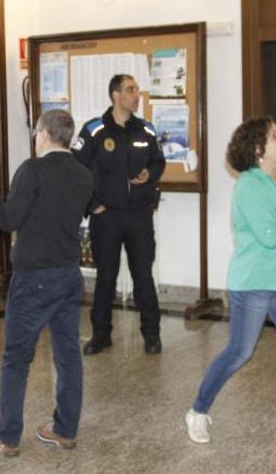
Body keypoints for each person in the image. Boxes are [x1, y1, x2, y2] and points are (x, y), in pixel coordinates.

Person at [184, 117, 276, 444]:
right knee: (240, 351)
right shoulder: (249, 186)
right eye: (275, 136)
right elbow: (270, 234)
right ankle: (198, 411)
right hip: (254, 282)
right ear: (257, 150)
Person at [0, 110, 93, 458]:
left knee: (16, 358)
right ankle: (65, 430)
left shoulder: (33, 170)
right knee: (68, 353)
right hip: (69, 274)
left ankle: (9, 437)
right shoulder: (83, 175)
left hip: (34, 279)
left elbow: (10, 218)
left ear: (42, 134)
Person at [72, 74, 166, 355]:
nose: (137, 95)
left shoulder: (146, 130)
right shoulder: (94, 130)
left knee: (143, 276)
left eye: (137, 89)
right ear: (115, 95)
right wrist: (91, 204)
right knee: (106, 277)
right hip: (106, 216)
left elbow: (158, 161)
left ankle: (151, 334)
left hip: (139, 215)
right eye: (130, 90)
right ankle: (101, 335)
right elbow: (77, 170)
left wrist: (150, 174)